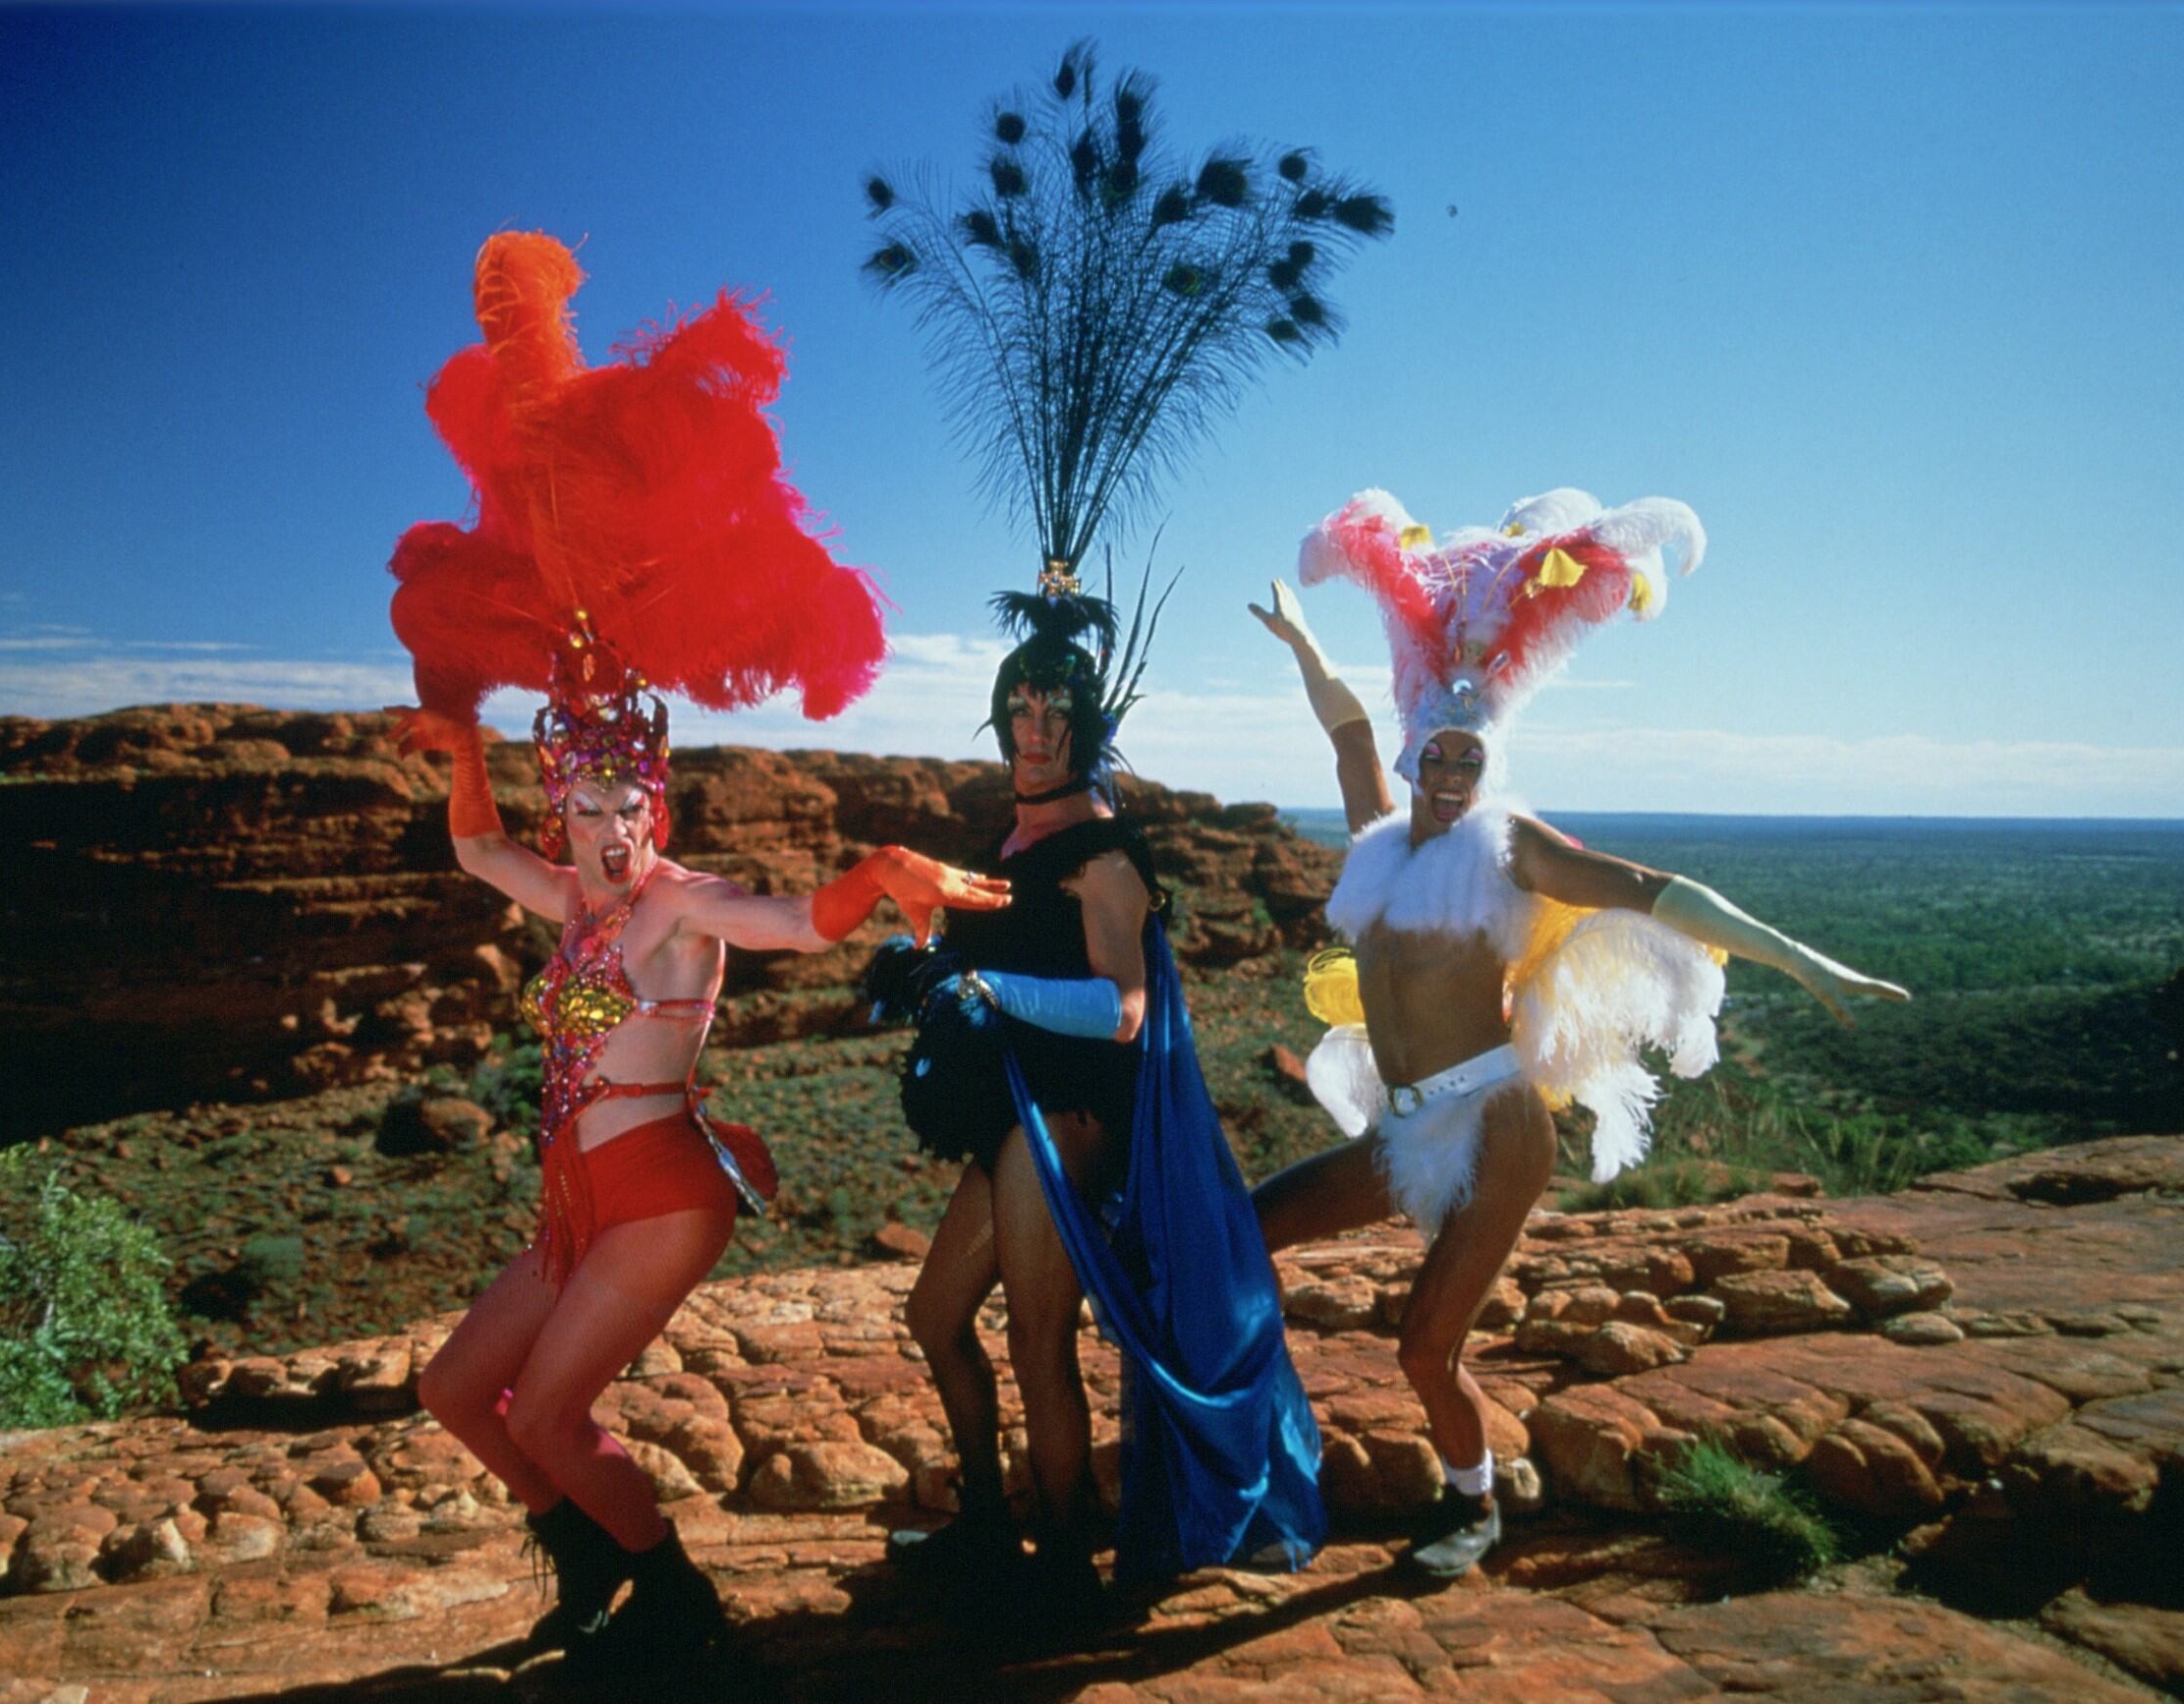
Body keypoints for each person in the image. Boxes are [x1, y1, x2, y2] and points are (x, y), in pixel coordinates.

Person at [384, 229, 1005, 1664]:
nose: (595, 825)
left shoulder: (672, 897)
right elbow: (480, 854)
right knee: (454, 1392)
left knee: (544, 1410)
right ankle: (591, 1563)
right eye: (578, 802)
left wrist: (884, 871)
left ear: (653, 798)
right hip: (573, 1197)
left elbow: (789, 921)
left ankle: (672, 1608)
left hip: (660, 1190)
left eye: (617, 801)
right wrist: (459, 734)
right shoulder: (580, 899)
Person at [1250, 487, 1910, 1579]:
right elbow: (1348, 725)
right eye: (1439, 754)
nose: (1452, 771)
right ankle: (1245, 1464)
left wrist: (1795, 955)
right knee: (1239, 1237)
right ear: (1417, 757)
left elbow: (1649, 887)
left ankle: (1471, 1509)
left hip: (1499, 1129)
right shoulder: (1376, 841)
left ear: (1486, 760)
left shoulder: (1507, 852)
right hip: (1406, 1122)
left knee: (1422, 1346)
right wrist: (1304, 641)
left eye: (1470, 756)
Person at [868, 574, 1326, 1613]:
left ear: (1088, 724)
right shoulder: (1019, 839)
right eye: (1019, 708)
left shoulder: (1105, 854)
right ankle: (990, 1525)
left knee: (1037, 1337)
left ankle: (1068, 1561)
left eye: (1057, 713)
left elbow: (1119, 1010)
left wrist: (986, 986)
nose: (1034, 729)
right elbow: (1001, 948)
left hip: (1066, 1123)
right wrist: (923, 956)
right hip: (1009, 1115)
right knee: (934, 1316)